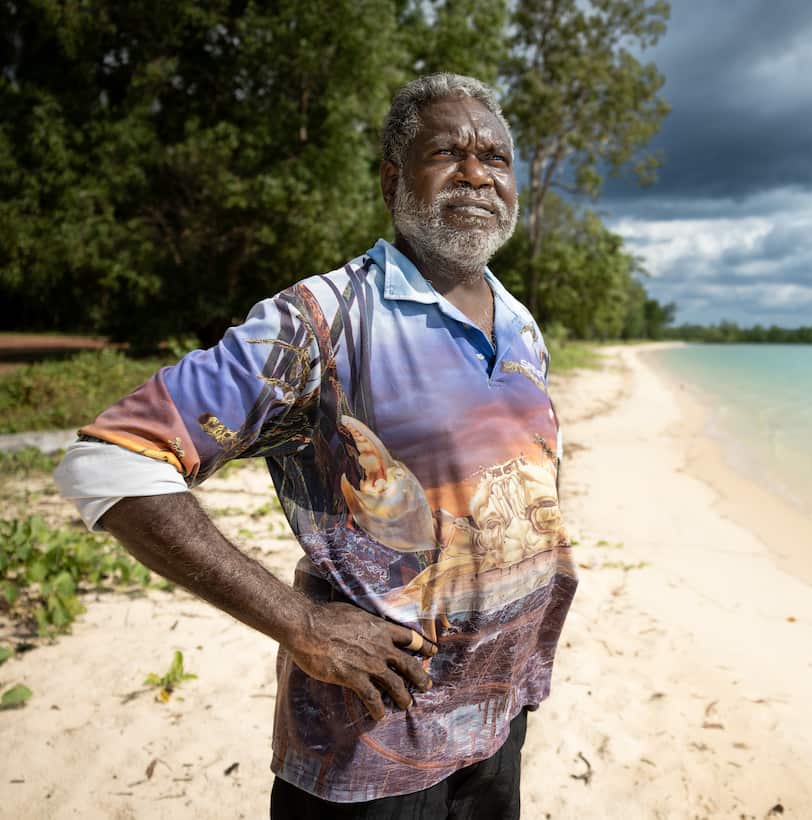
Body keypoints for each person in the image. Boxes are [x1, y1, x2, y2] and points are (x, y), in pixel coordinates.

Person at [54, 73, 577, 819]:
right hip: (371, 744)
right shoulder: (322, 320)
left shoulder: (521, 324)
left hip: (498, 723)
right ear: (394, 180)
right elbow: (110, 460)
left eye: (494, 157)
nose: (475, 173)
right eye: (447, 152)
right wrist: (300, 624)